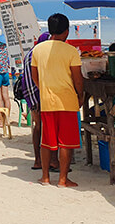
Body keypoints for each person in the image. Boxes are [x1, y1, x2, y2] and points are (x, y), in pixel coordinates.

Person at [30, 14, 82, 187]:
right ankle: (62, 179)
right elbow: (78, 79)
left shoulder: (38, 50)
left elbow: (34, 77)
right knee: (65, 143)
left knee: (47, 140)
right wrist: (80, 95)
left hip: (46, 100)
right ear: (67, 31)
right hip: (67, 100)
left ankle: (45, 177)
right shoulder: (71, 51)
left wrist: (45, 88)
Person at [22, 32, 51, 170]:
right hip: (39, 94)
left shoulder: (30, 54)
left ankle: (38, 159)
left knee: (38, 127)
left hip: (31, 95)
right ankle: (46, 160)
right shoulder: (40, 54)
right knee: (44, 127)